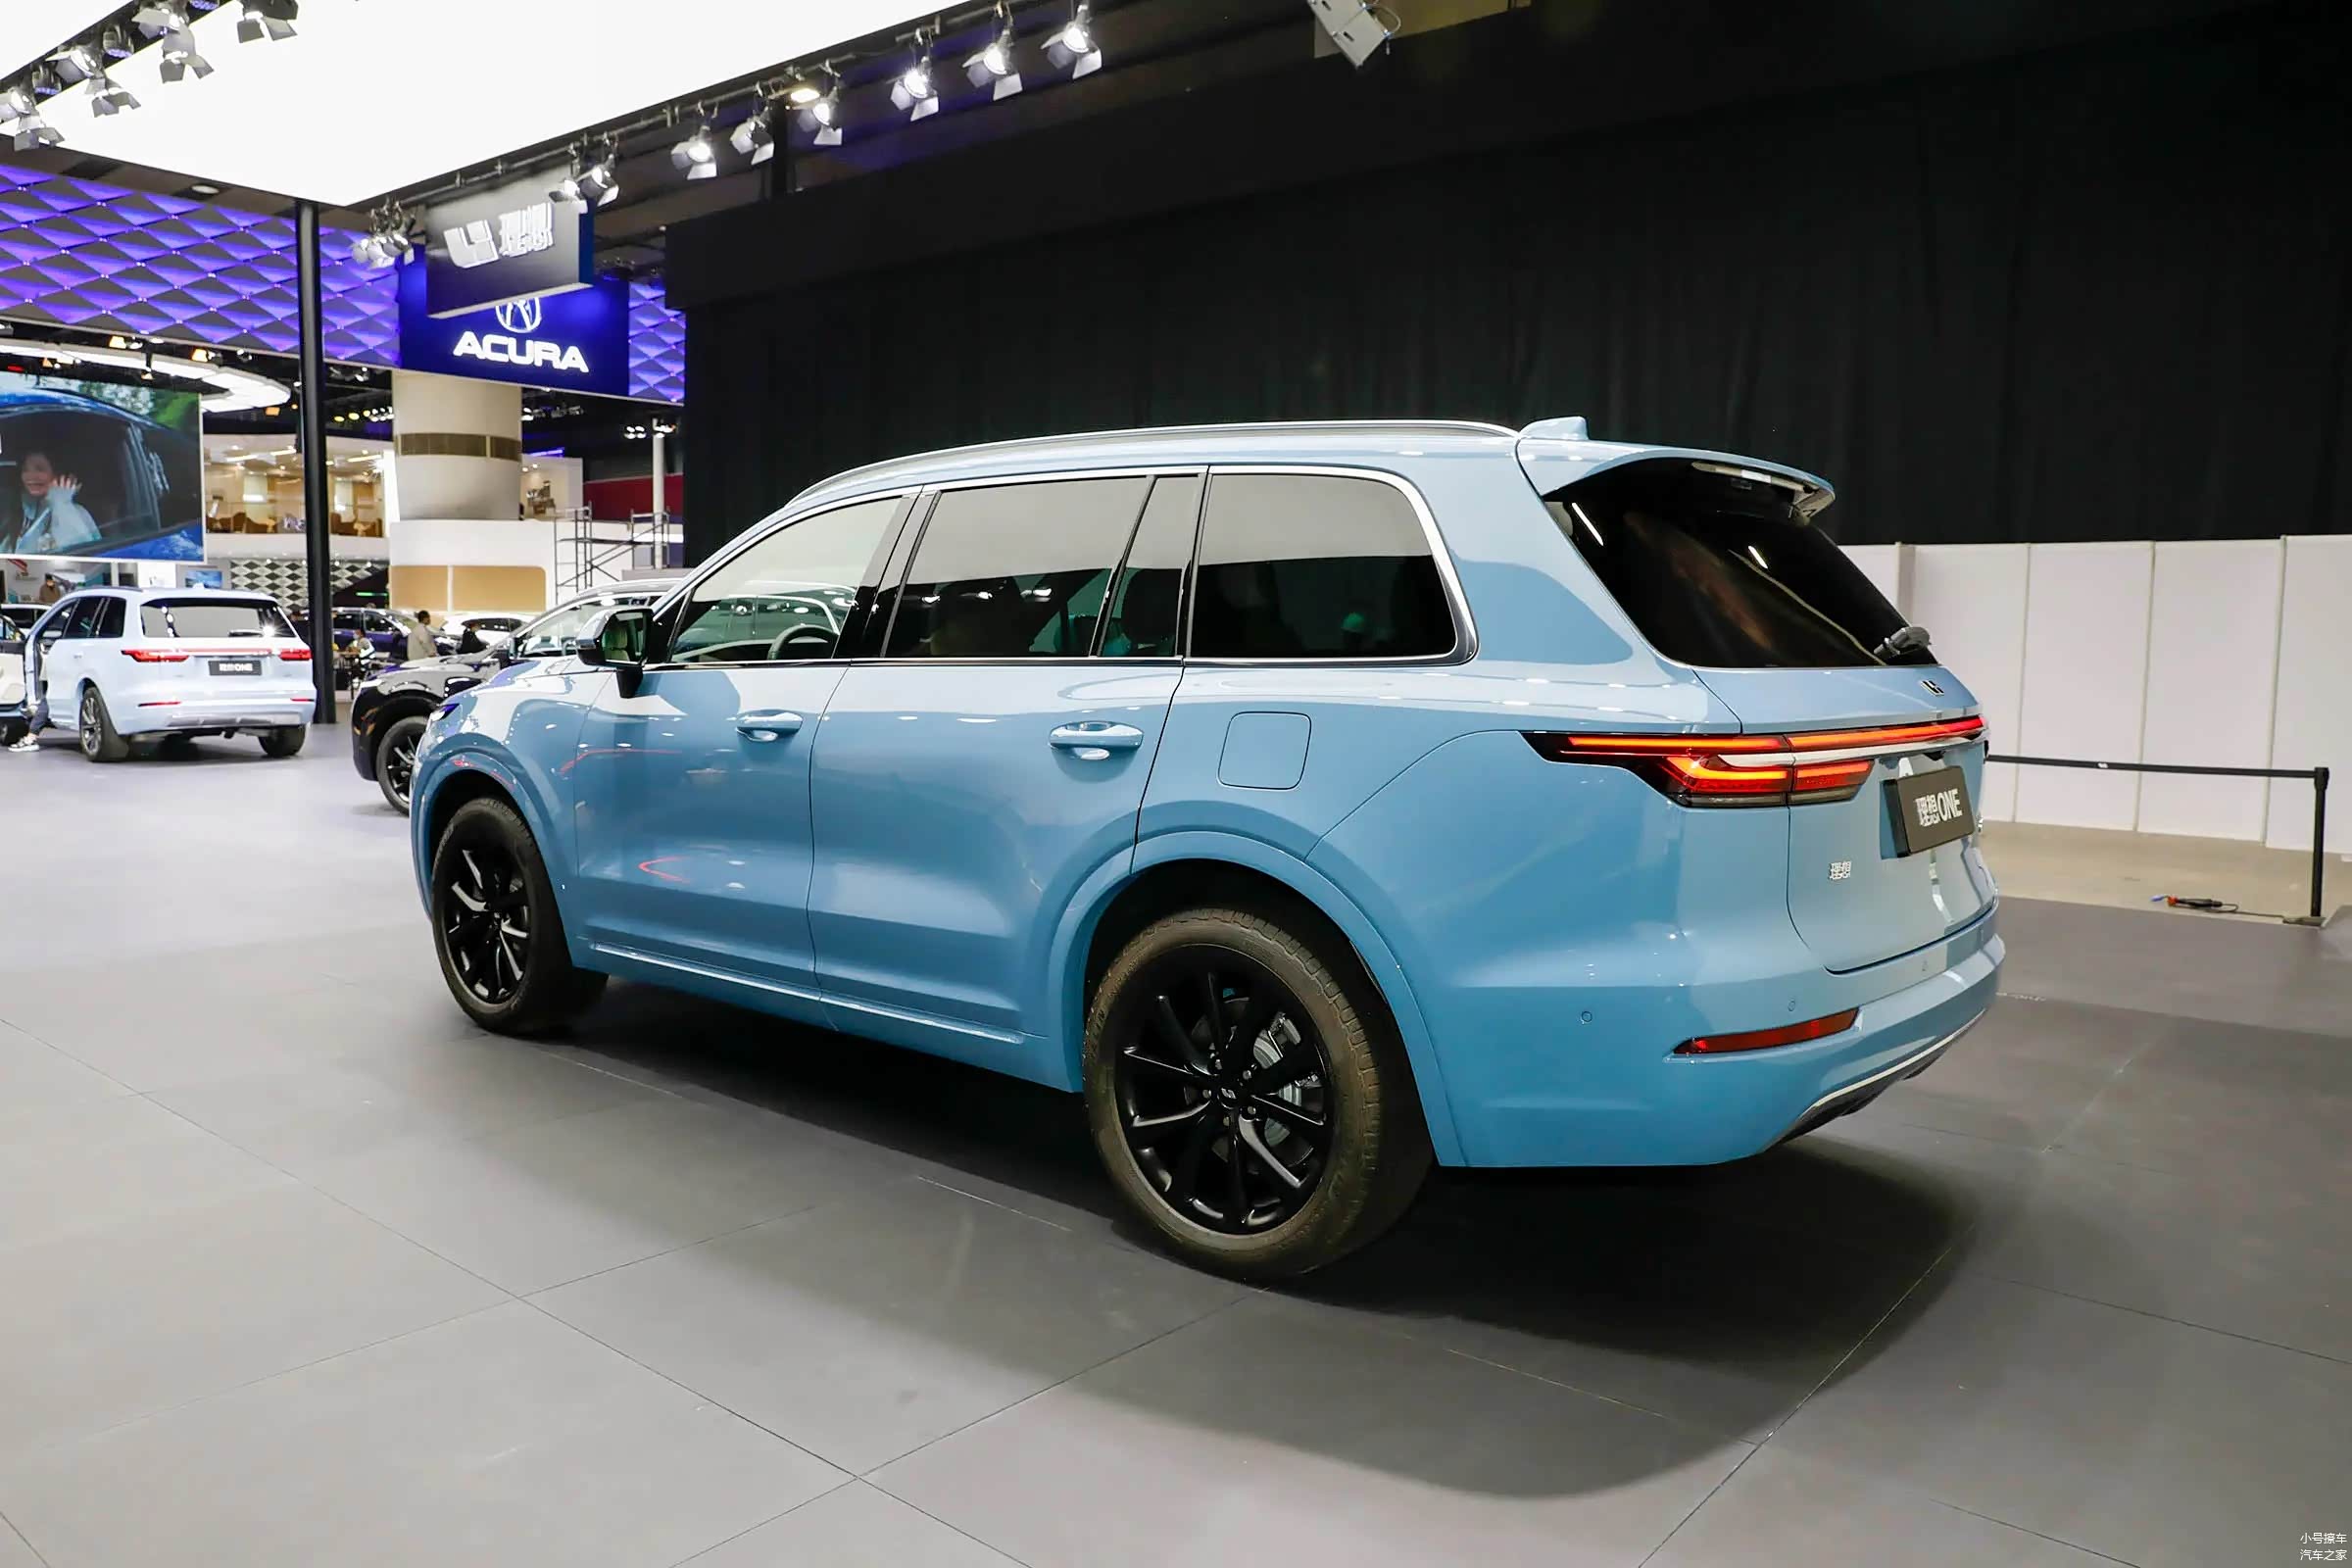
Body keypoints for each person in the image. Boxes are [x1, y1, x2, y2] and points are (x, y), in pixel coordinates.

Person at [5, 452, 101, 557]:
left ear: (57, 473)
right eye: (25, 470)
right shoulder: (25, 513)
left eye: (40, 469)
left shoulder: (75, 512)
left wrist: (61, 501)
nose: (31, 476)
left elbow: (81, 554)